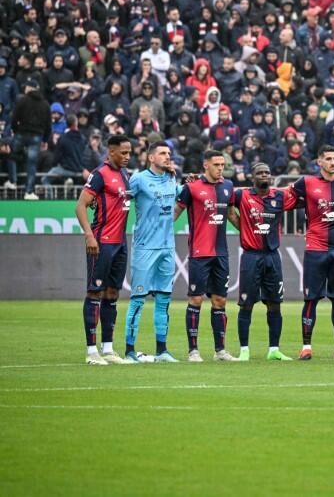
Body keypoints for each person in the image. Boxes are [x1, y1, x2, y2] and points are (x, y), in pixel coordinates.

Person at [289, 145, 334, 360]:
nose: (332, 162)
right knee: (311, 298)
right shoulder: (307, 182)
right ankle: (306, 347)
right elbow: (285, 196)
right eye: (328, 158)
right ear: (319, 162)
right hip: (315, 248)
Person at [174, 150, 238, 362]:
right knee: (196, 299)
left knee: (220, 300)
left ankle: (220, 351)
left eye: (222, 165)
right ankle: (193, 351)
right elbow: (175, 212)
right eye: (216, 164)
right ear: (205, 165)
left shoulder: (228, 186)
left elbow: (231, 215)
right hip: (199, 253)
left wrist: (249, 232)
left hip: (221, 253)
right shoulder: (191, 188)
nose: (220, 168)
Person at [74, 134, 133, 365]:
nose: (127, 156)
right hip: (101, 241)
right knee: (94, 293)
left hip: (120, 243)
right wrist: (89, 235)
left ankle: (108, 349)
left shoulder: (125, 174)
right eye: (123, 152)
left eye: (129, 153)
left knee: (112, 294)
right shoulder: (100, 174)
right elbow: (80, 206)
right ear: (111, 152)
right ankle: (91, 352)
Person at [231, 163, 299, 362]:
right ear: (252, 177)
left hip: (272, 256)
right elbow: (223, 201)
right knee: (246, 304)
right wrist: (242, 227)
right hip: (251, 256)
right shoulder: (241, 195)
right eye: (260, 173)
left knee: (275, 304)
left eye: (267, 173)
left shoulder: (279, 196)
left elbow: (305, 197)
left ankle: (274, 350)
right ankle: (244, 350)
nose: (264, 175)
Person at [123, 141, 181, 363]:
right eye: (162, 153)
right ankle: (129, 351)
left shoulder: (171, 178)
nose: (167, 156)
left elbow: (180, 197)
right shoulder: (138, 179)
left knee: (163, 299)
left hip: (167, 247)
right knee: (138, 298)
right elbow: (121, 199)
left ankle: (162, 351)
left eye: (169, 153)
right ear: (151, 157)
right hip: (145, 247)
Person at [11, 79, 50, 200]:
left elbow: (14, 118)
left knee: (9, 154)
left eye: (26, 87)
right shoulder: (45, 104)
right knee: (31, 164)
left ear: (30, 88)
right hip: (36, 136)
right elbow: (48, 125)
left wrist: (16, 131)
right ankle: (28, 192)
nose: (25, 89)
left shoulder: (22, 100)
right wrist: (45, 140)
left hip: (21, 133)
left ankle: (12, 181)